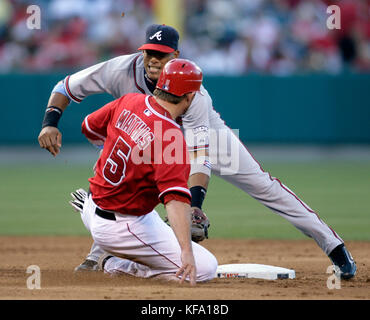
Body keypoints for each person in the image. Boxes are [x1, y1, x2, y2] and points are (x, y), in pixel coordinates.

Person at [38, 24, 356, 279]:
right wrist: (50, 123)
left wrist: (194, 205)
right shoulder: (120, 69)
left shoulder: (194, 94)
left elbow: (198, 155)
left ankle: (334, 246)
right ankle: (100, 254)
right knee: (128, 178)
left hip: (205, 134)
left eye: (160, 55)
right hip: (151, 134)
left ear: (175, 55)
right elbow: (64, 88)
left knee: (263, 186)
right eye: (148, 51)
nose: (152, 59)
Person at [74, 58, 217, 284]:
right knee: (205, 268)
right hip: (121, 228)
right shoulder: (170, 136)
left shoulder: (130, 100)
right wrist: (186, 253)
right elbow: (175, 200)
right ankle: (114, 263)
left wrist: (108, 150)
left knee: (149, 215)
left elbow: (89, 126)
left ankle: (89, 211)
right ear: (189, 96)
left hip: (98, 202)